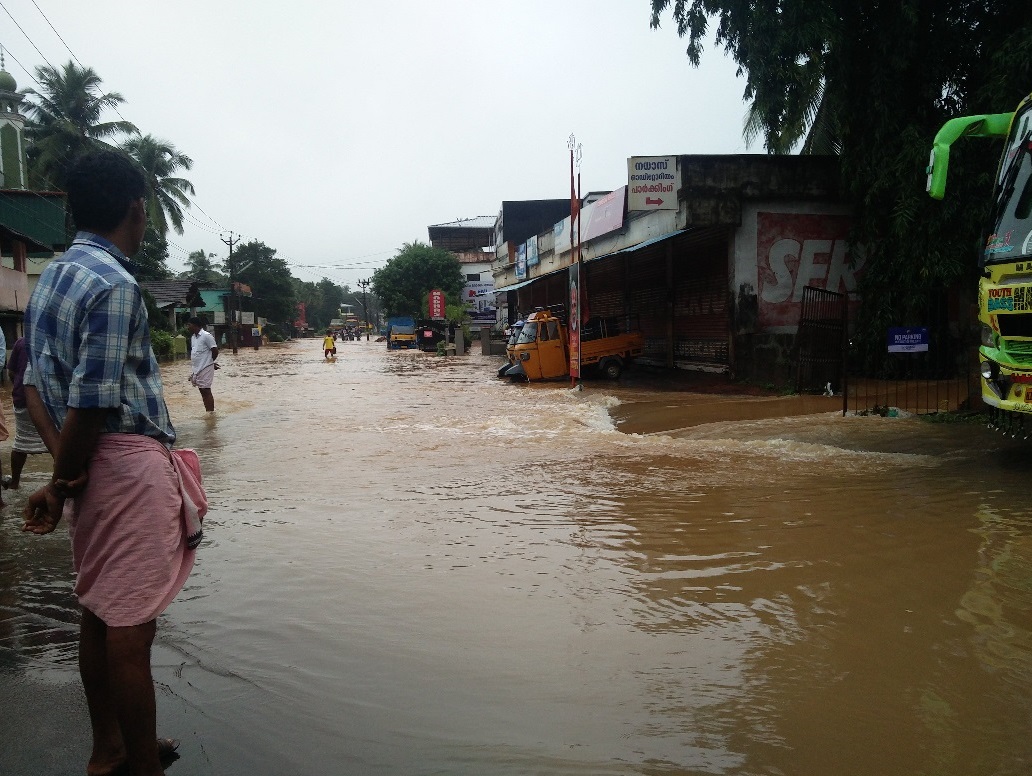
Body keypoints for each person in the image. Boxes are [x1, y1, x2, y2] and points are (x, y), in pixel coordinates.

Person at [21, 150, 202, 776]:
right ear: (136, 208)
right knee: (131, 625)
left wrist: (63, 477)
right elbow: (93, 402)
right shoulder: (116, 284)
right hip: (126, 464)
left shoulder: (52, 278)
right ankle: (138, 766)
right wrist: (59, 477)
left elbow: (34, 391)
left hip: (90, 465)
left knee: (99, 611)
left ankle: (111, 749)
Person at [4, 336, 52, 490]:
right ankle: (59, 483)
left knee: (20, 442)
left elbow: (11, 373)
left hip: (23, 397)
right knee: (58, 443)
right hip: (50, 400)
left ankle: (15, 483)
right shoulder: (54, 339)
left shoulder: (21, 342)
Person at [187, 316, 219, 412]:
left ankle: (211, 413)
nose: (187, 327)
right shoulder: (193, 337)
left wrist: (210, 362)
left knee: (206, 390)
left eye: (189, 325)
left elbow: (215, 350)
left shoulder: (206, 336)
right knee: (202, 390)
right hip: (197, 368)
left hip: (205, 367)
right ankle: (208, 411)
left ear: (195, 325)